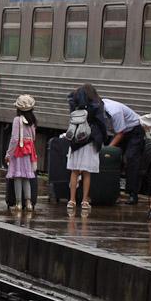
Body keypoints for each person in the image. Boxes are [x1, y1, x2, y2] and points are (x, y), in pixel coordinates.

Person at [66, 83, 108, 212]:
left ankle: (72, 200)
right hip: (89, 141)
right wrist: (103, 137)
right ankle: (84, 201)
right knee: (86, 173)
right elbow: (101, 123)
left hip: (76, 140)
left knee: (74, 171)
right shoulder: (97, 104)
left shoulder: (75, 103)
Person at [103, 97, 144, 205]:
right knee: (112, 159)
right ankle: (112, 192)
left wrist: (107, 149)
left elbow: (120, 133)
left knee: (131, 158)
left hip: (134, 130)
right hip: (120, 132)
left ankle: (132, 194)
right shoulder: (96, 110)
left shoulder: (114, 111)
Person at [5, 95, 38, 212]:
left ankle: (18, 203)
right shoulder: (32, 121)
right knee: (27, 178)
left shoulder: (17, 120)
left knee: (18, 177)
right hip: (29, 151)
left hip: (18, 152)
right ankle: (28, 203)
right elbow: (33, 137)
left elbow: (14, 139)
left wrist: (8, 154)